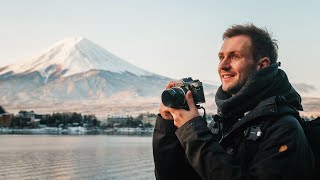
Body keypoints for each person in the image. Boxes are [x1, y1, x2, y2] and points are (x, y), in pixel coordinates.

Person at [152, 24, 315, 180]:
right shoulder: (224, 122)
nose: (222, 65)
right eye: (221, 57)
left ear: (262, 65)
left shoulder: (284, 128)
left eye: (234, 56)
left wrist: (192, 131)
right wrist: (167, 126)